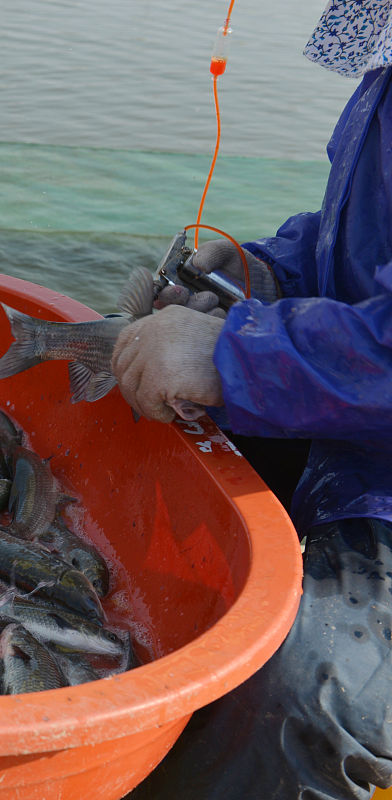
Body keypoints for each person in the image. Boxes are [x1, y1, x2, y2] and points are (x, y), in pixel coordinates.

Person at [113, 2, 392, 797]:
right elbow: (362, 240)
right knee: (128, 428)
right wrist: (261, 276)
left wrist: (234, 355)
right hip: (355, 423)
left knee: (308, 697)